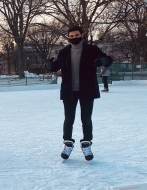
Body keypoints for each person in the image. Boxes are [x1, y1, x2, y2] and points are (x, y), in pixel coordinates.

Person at [45, 26, 113, 161]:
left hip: (87, 90)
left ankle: (86, 143)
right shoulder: (64, 52)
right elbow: (55, 66)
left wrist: (103, 61)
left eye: (77, 35)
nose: (74, 38)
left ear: (82, 34)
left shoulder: (92, 50)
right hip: (69, 90)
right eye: (71, 36)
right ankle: (68, 143)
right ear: (68, 37)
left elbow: (108, 60)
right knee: (68, 119)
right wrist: (49, 64)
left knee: (86, 119)